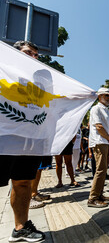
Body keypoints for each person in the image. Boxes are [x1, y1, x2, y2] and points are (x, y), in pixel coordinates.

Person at [0, 41, 45, 241]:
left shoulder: (39, 85)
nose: (33, 57)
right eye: (28, 53)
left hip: (28, 140)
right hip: (4, 137)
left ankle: (20, 227)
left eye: (36, 55)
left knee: (23, 182)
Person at [87, 88, 109, 208]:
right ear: (99, 97)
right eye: (106, 95)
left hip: (106, 142)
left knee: (103, 170)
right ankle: (93, 198)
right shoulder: (96, 108)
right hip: (100, 142)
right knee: (100, 170)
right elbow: (98, 127)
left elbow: (107, 127)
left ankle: (99, 194)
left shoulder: (106, 110)